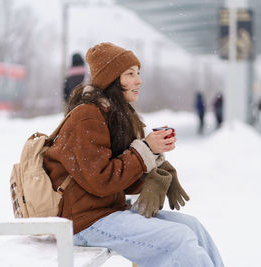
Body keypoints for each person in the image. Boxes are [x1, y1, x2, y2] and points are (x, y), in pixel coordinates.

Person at [43, 42, 224, 267]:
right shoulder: (87, 117)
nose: (139, 81)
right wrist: (144, 152)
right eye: (130, 74)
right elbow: (101, 181)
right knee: (179, 240)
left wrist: (155, 173)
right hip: (83, 222)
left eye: (138, 73)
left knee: (192, 227)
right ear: (111, 80)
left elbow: (121, 182)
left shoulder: (115, 115)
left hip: (109, 211)